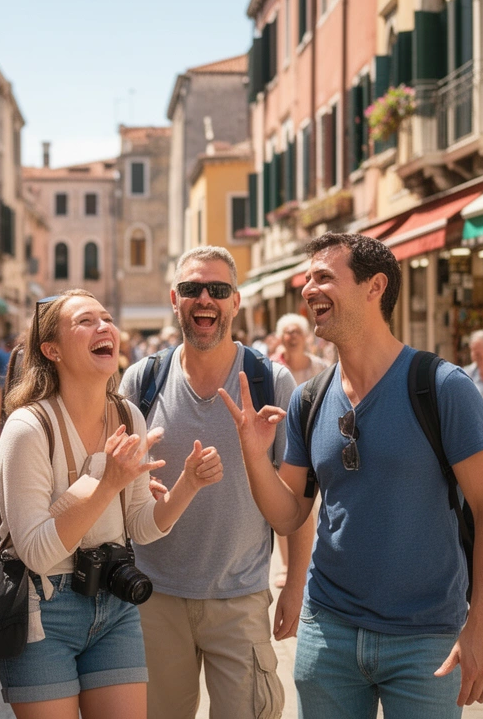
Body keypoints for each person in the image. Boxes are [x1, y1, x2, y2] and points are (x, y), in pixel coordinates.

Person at [220, 233, 483, 718]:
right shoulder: (308, 398)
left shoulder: (442, 387)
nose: (309, 289)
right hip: (328, 633)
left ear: (375, 287)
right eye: (307, 278)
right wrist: (255, 455)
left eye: (324, 277)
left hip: (426, 640)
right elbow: (289, 514)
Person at [0, 289, 220, 718]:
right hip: (44, 610)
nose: (104, 327)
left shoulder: (128, 415)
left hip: (114, 606)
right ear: (51, 349)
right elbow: (38, 552)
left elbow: (141, 525)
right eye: (85, 321)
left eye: (107, 318)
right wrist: (106, 482)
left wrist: (187, 485)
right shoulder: (27, 428)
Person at [119, 247, 304, 719]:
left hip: (240, 598)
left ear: (235, 303)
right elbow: (117, 484)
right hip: (154, 598)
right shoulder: (142, 381)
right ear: (174, 299)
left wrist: (295, 584)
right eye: (192, 289)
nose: (205, 299)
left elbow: (298, 497)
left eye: (217, 290)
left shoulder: (272, 382)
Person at [270, 312, 328, 590]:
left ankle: (309, 562)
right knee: (284, 504)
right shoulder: (271, 370)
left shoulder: (321, 368)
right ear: (280, 337)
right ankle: (286, 564)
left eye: (296, 331)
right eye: (287, 332)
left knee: (315, 507)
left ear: (306, 336)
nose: (291, 336)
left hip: (316, 443)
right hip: (282, 447)